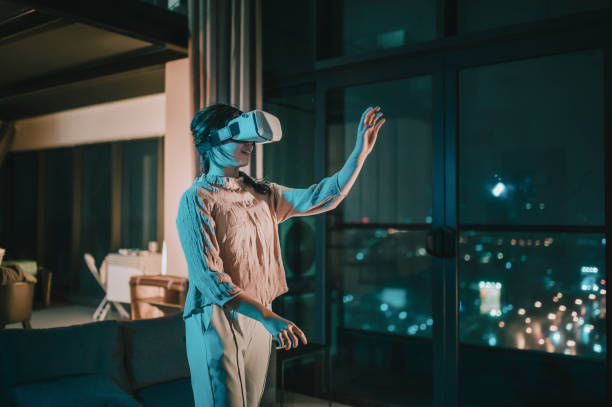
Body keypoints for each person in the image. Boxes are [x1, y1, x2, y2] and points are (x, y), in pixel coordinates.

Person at [176, 103, 385, 406]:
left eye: (250, 137)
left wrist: (360, 153)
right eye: (239, 135)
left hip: (260, 313)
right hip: (219, 317)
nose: (249, 144)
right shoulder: (197, 200)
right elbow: (210, 280)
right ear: (210, 141)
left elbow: (322, 196)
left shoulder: (263, 193)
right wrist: (270, 318)